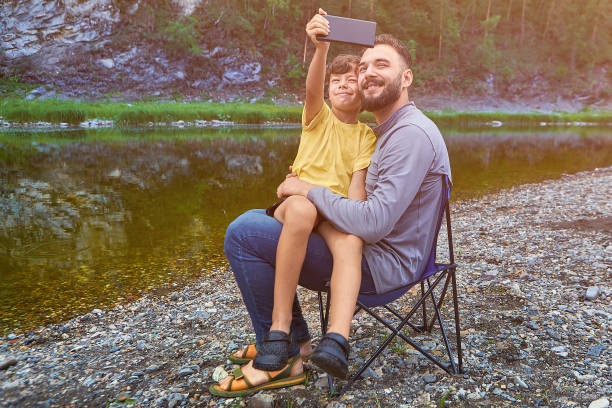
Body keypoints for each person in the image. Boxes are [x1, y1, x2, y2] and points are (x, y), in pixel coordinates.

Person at [210, 33, 451, 397]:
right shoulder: (387, 132)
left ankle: (284, 351)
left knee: (244, 233)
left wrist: (309, 189)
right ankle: (297, 342)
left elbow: (369, 222)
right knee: (277, 222)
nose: (367, 73)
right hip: (377, 249)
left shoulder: (409, 135)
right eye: (364, 66)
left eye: (381, 65)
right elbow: (358, 203)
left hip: (382, 264)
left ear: (407, 77)